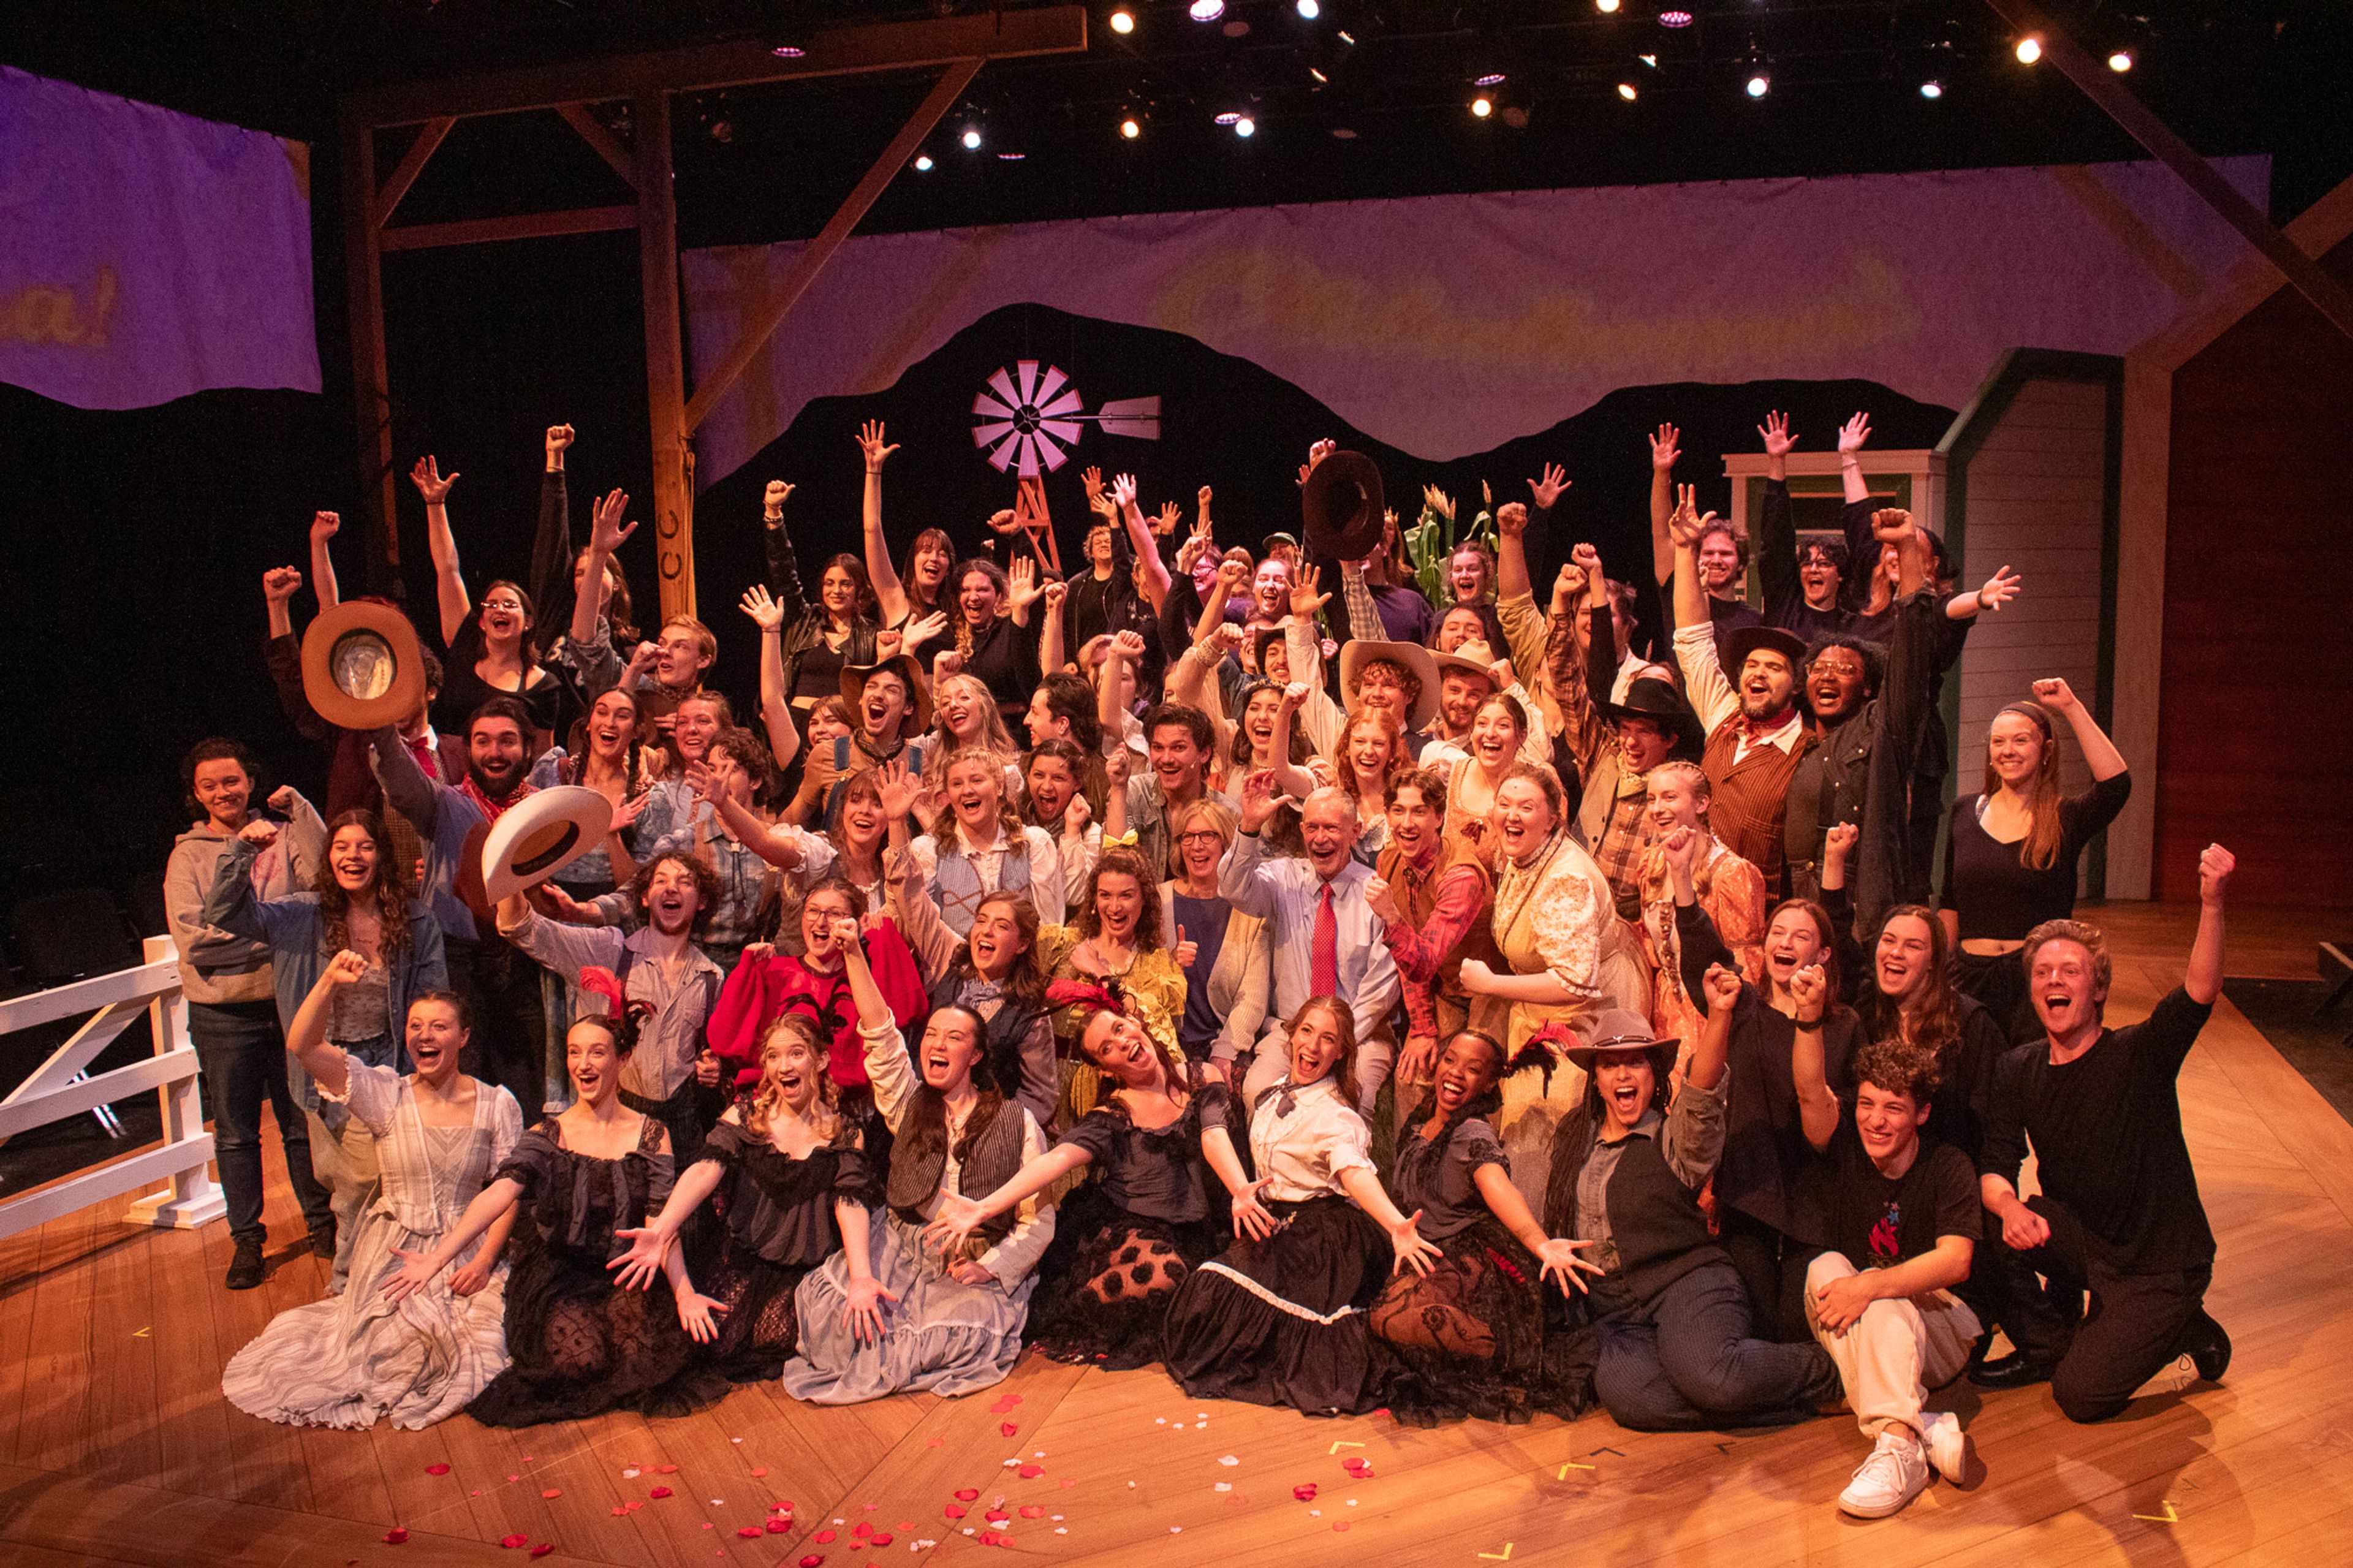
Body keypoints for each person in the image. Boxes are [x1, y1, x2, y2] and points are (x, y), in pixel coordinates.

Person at [1971, 844, 2238, 1421]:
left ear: (2098, 990)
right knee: (1990, 1221)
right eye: (2043, 972)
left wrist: (2212, 902)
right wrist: (2009, 1205)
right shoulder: (2019, 1067)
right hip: (2087, 1241)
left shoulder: (2138, 1054)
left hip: (2161, 1262)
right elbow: (1996, 1164)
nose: (2054, 980)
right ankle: (2050, 1350)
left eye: (2071, 971)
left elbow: (2199, 992)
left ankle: (2184, 1325)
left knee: (2082, 1397)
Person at [381, 1001, 729, 1426]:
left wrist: (683, 1292)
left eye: (597, 1052)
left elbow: (660, 1227)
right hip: (563, 1271)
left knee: (642, 1358)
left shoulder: (651, 1133)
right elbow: (500, 1193)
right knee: (580, 1362)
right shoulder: (548, 1134)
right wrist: (438, 1257)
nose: (584, 1063)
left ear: (621, 1059)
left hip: (626, 1269)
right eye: (574, 1051)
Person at [222, 957, 522, 1429]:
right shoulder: (386, 1093)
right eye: (415, 1026)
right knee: (391, 1350)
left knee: (484, 1342)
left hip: (464, 1249)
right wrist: (327, 982)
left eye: (439, 1026)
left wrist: (485, 1261)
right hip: (395, 1251)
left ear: (463, 1037)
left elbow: (508, 1191)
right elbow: (302, 1045)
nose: (425, 1035)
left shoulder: (497, 1103)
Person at [779, 912, 1054, 1402]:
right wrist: (853, 955)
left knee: (959, 1337)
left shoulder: (1016, 1121)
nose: (937, 1044)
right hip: (903, 1250)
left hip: (969, 1262)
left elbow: (1039, 1221)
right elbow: (881, 1034)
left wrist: (993, 1265)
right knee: (844, 1325)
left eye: (954, 1037)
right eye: (931, 1035)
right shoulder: (909, 1103)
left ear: (975, 1056)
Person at [1542, 1008, 1843, 1431]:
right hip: (1617, 1310)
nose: (1622, 1074)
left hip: (1685, 1283)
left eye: (1636, 1061)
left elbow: (1701, 1095)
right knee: (1633, 1401)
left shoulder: (1672, 1137)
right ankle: (1790, 1400)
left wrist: (1720, 1014)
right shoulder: (1577, 1138)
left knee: (1712, 1377)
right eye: (1610, 1064)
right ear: (1596, 1078)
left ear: (1655, 1072)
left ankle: (1827, 1371)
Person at [925, 1000, 1258, 1369]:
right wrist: (987, 1206)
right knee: (1166, 1274)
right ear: (1105, 1070)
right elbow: (1056, 1159)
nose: (1122, 1043)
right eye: (1107, 1049)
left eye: (1119, 1029)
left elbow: (1214, 1135)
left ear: (1134, 1021)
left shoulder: (1201, 1076)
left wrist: (1241, 1189)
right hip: (1139, 1226)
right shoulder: (1112, 1116)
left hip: (1204, 1226)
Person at [203, 806, 448, 1293]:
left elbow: (432, 995)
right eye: (341, 846)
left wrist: (427, 1071)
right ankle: (348, 1291)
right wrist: (241, 854)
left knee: (403, 1180)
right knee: (355, 1189)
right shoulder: (300, 914)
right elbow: (223, 913)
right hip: (328, 1064)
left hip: (392, 1064)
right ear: (328, 855)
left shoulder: (415, 917)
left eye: (365, 846)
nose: (353, 856)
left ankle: (397, 1285)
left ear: (382, 854)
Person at [1160, 997, 1441, 1415]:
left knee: (1243, 1312)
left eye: (1329, 1039)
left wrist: (1396, 1223)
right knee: (1204, 1296)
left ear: (1342, 1052)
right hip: (1277, 1223)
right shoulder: (1274, 1095)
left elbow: (1353, 1171)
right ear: (1291, 1035)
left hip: (1322, 1235)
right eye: (1307, 1031)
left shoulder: (1337, 1117)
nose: (1313, 1046)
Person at [606, 1013, 881, 1384]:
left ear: (820, 1060)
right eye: (773, 1056)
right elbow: (705, 1169)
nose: (784, 1066)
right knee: (713, 1342)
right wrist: (663, 1230)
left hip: (807, 1263)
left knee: (775, 1337)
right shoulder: (748, 1115)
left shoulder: (845, 1132)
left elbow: (850, 1204)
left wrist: (861, 1276)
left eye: (796, 1054)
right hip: (745, 1255)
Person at [1785, 1006, 1983, 1519]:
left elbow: (1956, 1260)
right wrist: (1808, 1022)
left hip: (1940, 1328)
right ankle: (1916, 1431)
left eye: (1894, 1107)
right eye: (1868, 1103)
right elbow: (1811, 1091)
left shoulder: (1949, 1165)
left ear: (1921, 1113)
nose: (1876, 1119)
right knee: (1825, 1268)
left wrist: (1872, 1286)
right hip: (1870, 1324)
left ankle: (1899, 1446)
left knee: (1865, 1284)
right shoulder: (1846, 1142)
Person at [1371, 1028, 1605, 1425]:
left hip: (1470, 1257)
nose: (1457, 1073)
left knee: (1389, 1319)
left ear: (1489, 1082)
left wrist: (1540, 1243)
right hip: (1426, 1252)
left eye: (1473, 1068)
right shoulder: (1418, 1123)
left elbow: (1499, 1188)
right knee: (1383, 1320)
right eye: (1451, 1060)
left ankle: (1500, 1351)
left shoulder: (1472, 1132)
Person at [164, 740, 332, 1287]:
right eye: (210, 784)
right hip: (223, 1014)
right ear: (196, 793)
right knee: (236, 1132)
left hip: (287, 1001)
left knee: (300, 1119)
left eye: (231, 780)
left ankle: (321, 1221)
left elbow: (319, 894)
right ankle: (247, 1241)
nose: (223, 792)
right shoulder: (187, 855)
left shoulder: (281, 836)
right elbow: (199, 943)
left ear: (250, 781)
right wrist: (277, 936)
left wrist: (301, 812)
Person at [1673, 876, 1863, 1341]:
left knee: (1796, 1325)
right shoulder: (1745, 1008)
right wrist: (1682, 880)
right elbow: (1705, 956)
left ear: (1822, 955)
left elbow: (1852, 1106)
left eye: (1801, 936)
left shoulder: (1843, 1023)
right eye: (1778, 932)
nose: (1786, 942)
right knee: (1755, 1322)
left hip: (1815, 1193)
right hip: (1750, 1190)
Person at [1458, 763, 1650, 1203]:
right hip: (1541, 1006)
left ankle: (1544, 1236)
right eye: (1504, 803)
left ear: (1553, 818)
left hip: (1584, 1015)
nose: (1512, 815)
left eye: (1527, 806)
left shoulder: (1567, 878)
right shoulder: (1522, 853)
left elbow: (1574, 982)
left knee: (1544, 1129)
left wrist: (1491, 983)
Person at [370, 695, 548, 1119]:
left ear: (527, 748)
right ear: (467, 750)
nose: (495, 752)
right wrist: (378, 723)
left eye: (507, 741)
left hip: (526, 962)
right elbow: (399, 778)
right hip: (457, 964)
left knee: (527, 1091)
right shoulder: (444, 802)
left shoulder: (546, 810)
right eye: (482, 741)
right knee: (461, 1087)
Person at [498, 853, 726, 1161]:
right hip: (614, 1121)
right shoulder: (609, 951)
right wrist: (511, 868)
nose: (671, 888)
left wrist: (713, 1069)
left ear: (701, 901)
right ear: (644, 899)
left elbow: (709, 1056)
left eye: (685, 883)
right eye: (661, 881)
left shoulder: (711, 976)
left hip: (682, 1127)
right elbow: (523, 928)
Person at [1940, 678, 2131, 1042]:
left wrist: (2071, 707)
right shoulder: (1965, 810)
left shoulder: (2065, 818)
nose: (2007, 750)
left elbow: (2116, 786)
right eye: (1998, 742)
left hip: (2035, 981)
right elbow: (1950, 901)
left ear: (2046, 750)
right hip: (1967, 978)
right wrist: (1941, 975)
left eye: (2020, 740)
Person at [1820, 828, 2006, 1167]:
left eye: (1913, 946)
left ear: (1934, 961)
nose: (1896, 953)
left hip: (1943, 1170)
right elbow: (1839, 936)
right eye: (1889, 941)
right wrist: (1834, 860)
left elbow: (1992, 1122)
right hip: (1873, 1165)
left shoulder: (1971, 1023)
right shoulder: (1867, 1008)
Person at [1226, 777, 1402, 1118]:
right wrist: (1248, 827)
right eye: (1313, 828)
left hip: (1360, 1035)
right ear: (1303, 829)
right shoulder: (1282, 879)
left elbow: (1381, 990)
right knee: (1257, 1092)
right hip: (1291, 1028)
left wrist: (1334, 1039)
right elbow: (1232, 887)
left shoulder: (1376, 893)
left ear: (1356, 831)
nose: (1321, 839)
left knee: (1350, 1103)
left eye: (1333, 828)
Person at [707, 874, 929, 1106]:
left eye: (834, 914)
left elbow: (909, 1011)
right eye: (813, 911)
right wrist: (746, 971)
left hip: (839, 1110)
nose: (821, 922)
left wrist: (873, 928)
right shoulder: (774, 972)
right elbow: (723, 1041)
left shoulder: (862, 985)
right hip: (772, 1104)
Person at [410, 454, 569, 741]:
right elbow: (448, 570)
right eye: (492, 605)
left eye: (510, 605)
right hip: (455, 777)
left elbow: (543, 758)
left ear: (528, 622)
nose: (500, 609)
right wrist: (435, 505)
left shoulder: (542, 685)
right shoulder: (465, 642)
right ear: (482, 622)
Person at [1366, 767, 1506, 1094]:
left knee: (1471, 1081)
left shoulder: (1460, 876)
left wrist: (1390, 916)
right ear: (1387, 815)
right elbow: (1408, 958)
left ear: (1439, 818)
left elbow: (1424, 959)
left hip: (1491, 994)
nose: (1407, 823)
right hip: (1444, 990)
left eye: (1419, 812)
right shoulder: (1389, 862)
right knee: (1413, 1077)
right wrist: (1422, 1027)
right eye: (1398, 811)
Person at [890, 870, 1059, 1137]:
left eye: (1002, 926)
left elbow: (1041, 1095)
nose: (987, 931)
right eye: (981, 921)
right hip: (924, 1118)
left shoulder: (1029, 1010)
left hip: (982, 1134)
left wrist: (996, 1132)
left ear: (1022, 944)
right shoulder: (951, 959)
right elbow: (914, 902)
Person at [1040, 845, 1191, 1115]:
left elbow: (1153, 1030)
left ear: (1144, 900)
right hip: (1052, 1086)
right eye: (1105, 896)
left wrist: (1099, 973)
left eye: (1126, 896)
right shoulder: (1060, 944)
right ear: (1094, 901)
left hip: (1122, 1099)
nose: (1115, 907)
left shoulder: (1158, 966)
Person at [1636, 768, 1767, 1052]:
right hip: (1662, 1013)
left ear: (1702, 804)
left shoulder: (1732, 874)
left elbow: (1749, 968)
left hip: (1712, 1016)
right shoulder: (1651, 863)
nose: (1658, 809)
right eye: (1651, 799)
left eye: (1670, 797)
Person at [754, 475, 883, 747]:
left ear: (860, 589)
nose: (837, 591)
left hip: (842, 729)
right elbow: (784, 571)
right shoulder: (804, 620)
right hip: (797, 723)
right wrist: (774, 514)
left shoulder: (872, 634)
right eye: (830, 583)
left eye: (846, 584)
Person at [1158, 797, 1271, 1078]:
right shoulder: (1157, 902)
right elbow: (1142, 981)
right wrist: (1171, 965)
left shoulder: (1250, 908)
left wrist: (1226, 1049)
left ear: (1227, 844)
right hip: (1166, 1042)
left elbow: (1253, 997)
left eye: (1208, 836)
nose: (1197, 846)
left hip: (1225, 1042)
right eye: (1188, 837)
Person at [906, 748, 1064, 936]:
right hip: (955, 963)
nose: (967, 790)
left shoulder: (1034, 844)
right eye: (957, 784)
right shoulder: (929, 851)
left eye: (977, 780)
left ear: (999, 787)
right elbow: (920, 931)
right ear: (949, 796)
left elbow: (1049, 929)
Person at [855, 420, 955, 664]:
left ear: (950, 567)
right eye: (927, 550)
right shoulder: (896, 600)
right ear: (913, 559)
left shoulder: (955, 611)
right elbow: (872, 527)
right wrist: (874, 471)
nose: (933, 558)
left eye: (942, 554)